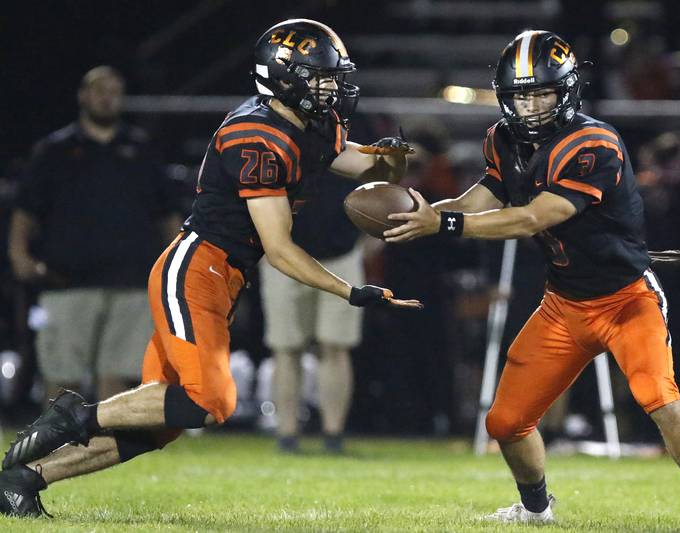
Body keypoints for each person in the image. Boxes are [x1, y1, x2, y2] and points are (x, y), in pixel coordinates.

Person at [0, 19, 420, 518]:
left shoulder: (310, 124)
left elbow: (365, 166)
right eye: (321, 77)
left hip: (223, 276)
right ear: (286, 79)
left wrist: (393, 162)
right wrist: (351, 291)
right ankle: (77, 414)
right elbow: (281, 249)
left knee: (160, 424)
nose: (332, 87)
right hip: (196, 268)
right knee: (209, 401)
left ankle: (24, 481)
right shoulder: (258, 135)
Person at [384, 30, 680, 527]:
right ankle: (535, 509)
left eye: (541, 92)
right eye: (521, 94)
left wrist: (445, 224)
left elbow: (534, 217)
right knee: (504, 422)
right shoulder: (502, 139)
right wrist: (418, 216)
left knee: (658, 394)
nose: (529, 106)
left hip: (624, 298)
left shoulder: (593, 142)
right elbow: (478, 199)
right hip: (564, 303)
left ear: (566, 90)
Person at [7, 66, 182, 403]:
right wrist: (19, 255)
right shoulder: (54, 150)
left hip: (130, 281)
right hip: (65, 281)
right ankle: (58, 447)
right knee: (61, 375)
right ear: (83, 96)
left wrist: (174, 263)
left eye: (115, 91)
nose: (107, 97)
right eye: (100, 90)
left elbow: (167, 214)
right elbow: (25, 211)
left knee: (117, 374)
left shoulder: (142, 150)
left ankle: (101, 449)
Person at [260, 168, 364, 453]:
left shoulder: (349, 129)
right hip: (284, 255)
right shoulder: (277, 132)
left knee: (336, 346)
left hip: (340, 252)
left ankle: (333, 436)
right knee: (285, 348)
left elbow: (376, 179)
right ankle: (287, 436)